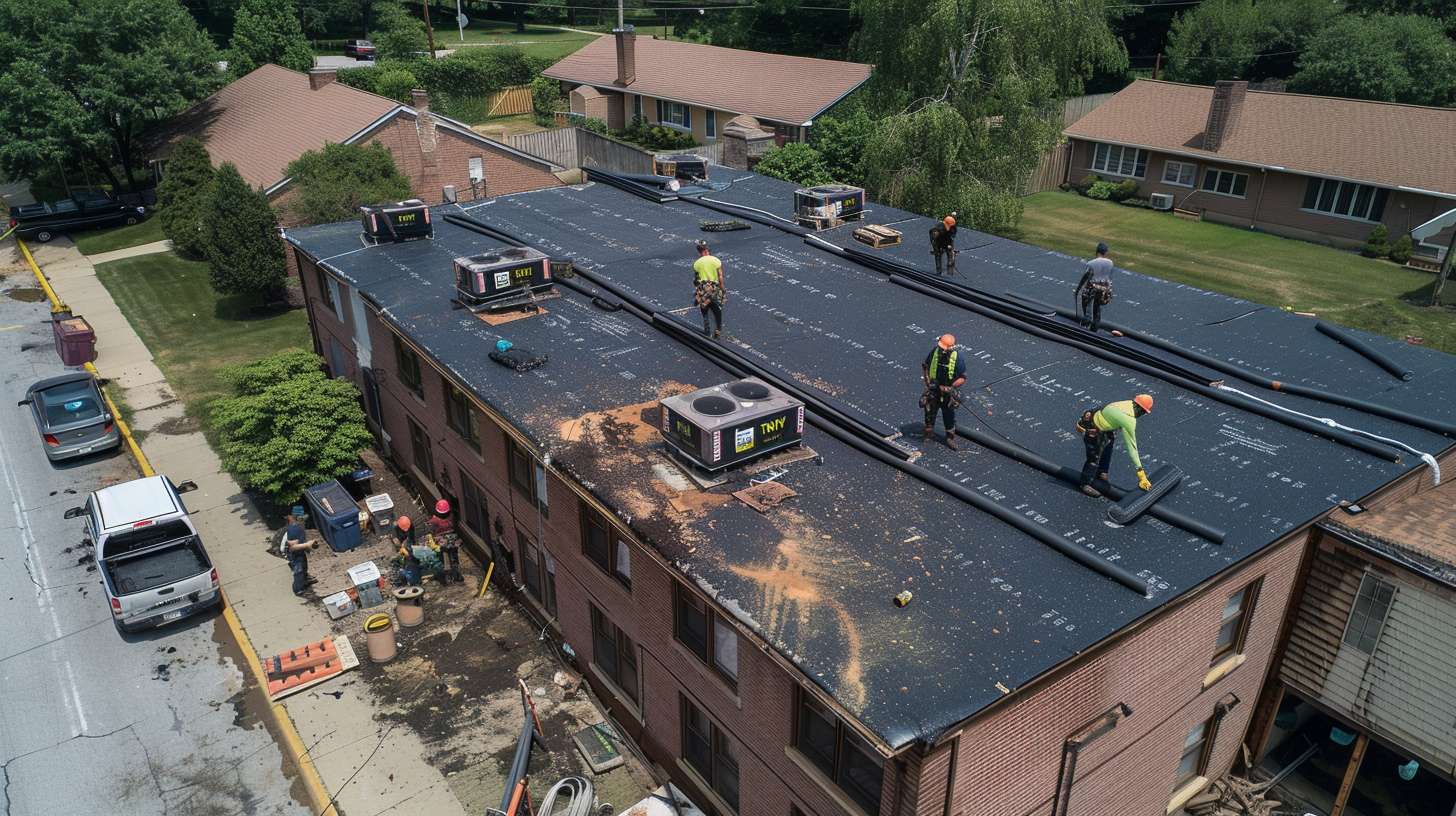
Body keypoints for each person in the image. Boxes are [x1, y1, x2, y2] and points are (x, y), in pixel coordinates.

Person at [1076, 394, 1154, 497]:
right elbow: (1132, 448)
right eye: (1143, 412)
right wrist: (1141, 473)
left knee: (1108, 446)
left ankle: (1102, 473)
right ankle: (1084, 484)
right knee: (1094, 456)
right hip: (1092, 427)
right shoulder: (1128, 420)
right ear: (1140, 409)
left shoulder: (1127, 404)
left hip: (1103, 424)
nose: (1142, 415)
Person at [921, 333, 967, 449]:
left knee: (949, 415)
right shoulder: (934, 352)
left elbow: (962, 377)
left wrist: (951, 388)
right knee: (929, 411)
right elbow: (925, 366)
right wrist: (928, 383)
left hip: (947, 393)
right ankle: (928, 433)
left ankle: (949, 437)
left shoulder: (958, 358)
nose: (941, 350)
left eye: (943, 349)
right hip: (934, 390)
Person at [1075, 242, 1114, 330]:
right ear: (1106, 253)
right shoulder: (1110, 263)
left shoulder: (1091, 263)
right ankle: (1094, 329)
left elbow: (1086, 276)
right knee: (1097, 308)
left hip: (1092, 288)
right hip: (1104, 290)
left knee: (1087, 305)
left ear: (1097, 252)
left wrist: (1078, 289)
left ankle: (1085, 324)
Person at [692, 240, 726, 339]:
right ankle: (718, 330)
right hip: (714, 288)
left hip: (703, 288)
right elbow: (720, 277)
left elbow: (696, 280)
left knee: (704, 308)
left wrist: (697, 292)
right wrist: (722, 288)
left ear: (699, 251)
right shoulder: (716, 260)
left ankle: (707, 330)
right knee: (717, 310)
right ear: (707, 249)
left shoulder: (697, 264)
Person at [283, 513, 317, 596]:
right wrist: (307, 545)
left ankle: (305, 579)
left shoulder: (299, 528)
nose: (303, 522)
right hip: (292, 555)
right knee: (298, 571)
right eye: (301, 519)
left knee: (304, 565)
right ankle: (298, 589)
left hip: (299, 552)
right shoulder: (293, 530)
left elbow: (301, 541)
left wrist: (307, 548)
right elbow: (292, 547)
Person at [429, 499, 461, 583]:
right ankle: (457, 575)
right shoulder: (452, 516)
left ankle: (448, 578)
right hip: (453, 540)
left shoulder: (434, 520)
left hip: (443, 543)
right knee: (454, 558)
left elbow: (432, 530)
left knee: (445, 560)